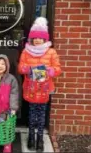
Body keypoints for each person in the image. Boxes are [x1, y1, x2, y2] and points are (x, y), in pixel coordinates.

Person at [18, 17, 61, 152]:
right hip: (31, 88)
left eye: (40, 38)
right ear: (31, 38)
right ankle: (31, 136)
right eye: (35, 37)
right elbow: (20, 67)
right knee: (31, 114)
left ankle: (40, 138)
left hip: (44, 88)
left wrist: (49, 71)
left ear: (45, 39)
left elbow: (58, 69)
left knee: (42, 115)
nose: (37, 40)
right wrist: (26, 69)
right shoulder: (26, 51)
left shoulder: (51, 52)